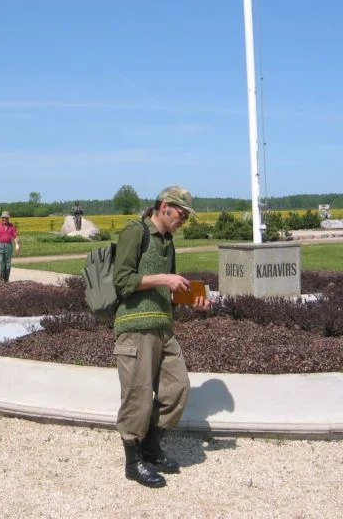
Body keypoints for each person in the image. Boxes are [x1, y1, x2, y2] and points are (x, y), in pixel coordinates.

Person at [112, 186, 211, 488]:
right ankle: (133, 461)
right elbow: (122, 280)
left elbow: (171, 290)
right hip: (135, 327)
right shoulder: (136, 231)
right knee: (138, 396)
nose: (184, 220)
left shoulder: (168, 243)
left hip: (163, 327)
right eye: (182, 214)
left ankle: (151, 448)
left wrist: (192, 297)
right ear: (165, 206)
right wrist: (163, 278)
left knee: (177, 388)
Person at [0, 211, 20, 283]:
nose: (5, 219)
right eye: (3, 218)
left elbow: (15, 236)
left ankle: (6, 279)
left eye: (6, 218)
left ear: (8, 218)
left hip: (8, 245)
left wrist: (17, 245)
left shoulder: (12, 226)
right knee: (0, 262)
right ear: (1, 218)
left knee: (8, 263)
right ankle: (1, 278)